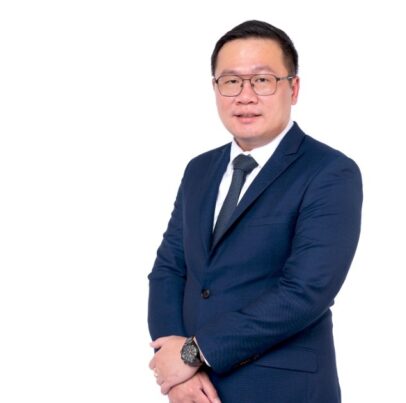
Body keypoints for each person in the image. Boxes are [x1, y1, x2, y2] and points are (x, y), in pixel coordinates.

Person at [147, 20, 362, 403]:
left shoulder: (330, 172)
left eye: (262, 80)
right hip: (195, 392)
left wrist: (192, 353)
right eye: (231, 81)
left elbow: (304, 293)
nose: (245, 96)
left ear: (293, 88)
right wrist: (177, 374)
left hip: (283, 390)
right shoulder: (199, 170)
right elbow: (169, 269)